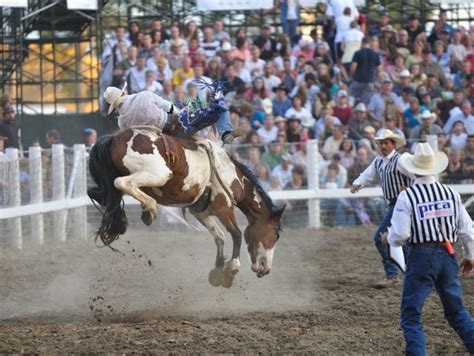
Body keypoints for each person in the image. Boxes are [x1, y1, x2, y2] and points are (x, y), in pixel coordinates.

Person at [386, 142, 474, 355]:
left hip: (421, 255)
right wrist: (470, 256)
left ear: (413, 169)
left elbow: (400, 235)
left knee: (411, 314)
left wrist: (389, 237)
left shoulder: (407, 196)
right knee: (456, 311)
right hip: (448, 254)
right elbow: (467, 230)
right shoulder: (451, 193)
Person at [351, 129, 412, 288]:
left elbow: (416, 175)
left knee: (381, 237)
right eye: (381, 143)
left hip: (403, 204)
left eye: (386, 143)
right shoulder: (378, 161)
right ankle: (414, 273)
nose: (383, 146)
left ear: (393, 144)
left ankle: (392, 274)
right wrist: (358, 183)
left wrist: (410, 188)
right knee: (404, 240)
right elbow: (367, 175)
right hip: (394, 204)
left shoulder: (400, 160)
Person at [103, 82, 242, 143]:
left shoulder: (122, 122)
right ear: (122, 92)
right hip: (174, 126)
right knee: (216, 108)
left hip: (153, 139)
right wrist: (181, 114)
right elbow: (167, 106)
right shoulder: (143, 95)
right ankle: (226, 134)